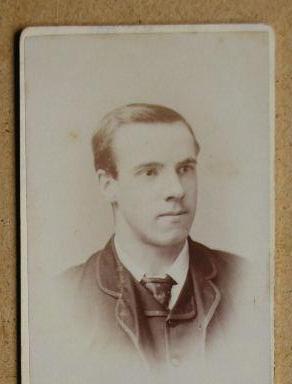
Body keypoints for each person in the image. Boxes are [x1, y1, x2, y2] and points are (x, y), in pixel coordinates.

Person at [63, 103, 247, 369]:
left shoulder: (251, 284)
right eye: (149, 172)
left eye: (185, 169)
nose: (176, 190)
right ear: (108, 186)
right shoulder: (64, 302)